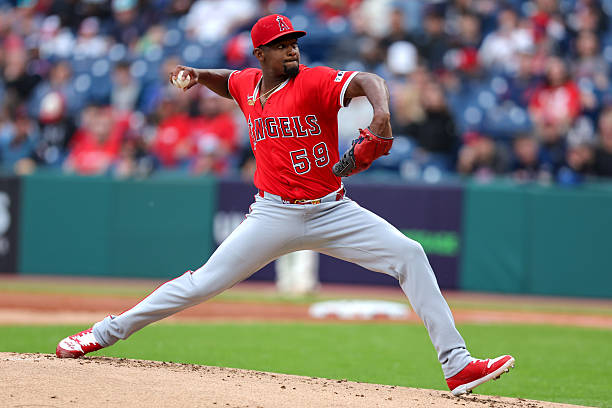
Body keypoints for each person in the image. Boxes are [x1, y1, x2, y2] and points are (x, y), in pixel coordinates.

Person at [55, 14, 515, 397]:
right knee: (201, 284)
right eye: (280, 44)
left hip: (332, 209)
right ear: (261, 54)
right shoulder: (249, 85)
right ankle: (104, 332)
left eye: (293, 41)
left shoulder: (313, 81)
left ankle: (457, 365)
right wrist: (197, 74)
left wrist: (380, 113)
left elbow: (368, 80)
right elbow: (228, 81)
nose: (291, 49)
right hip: (273, 214)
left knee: (410, 254)